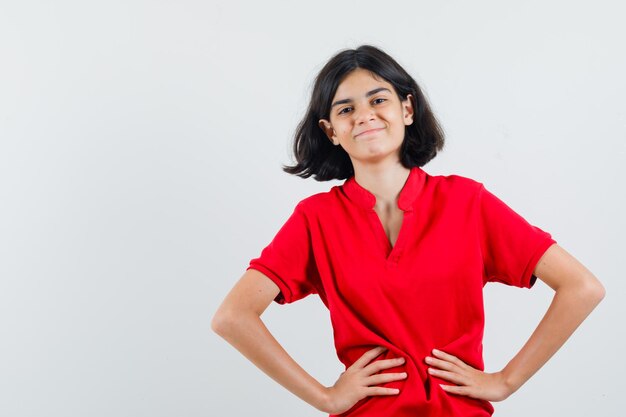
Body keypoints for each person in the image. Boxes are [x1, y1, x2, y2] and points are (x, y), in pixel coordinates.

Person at [211, 45, 605, 417]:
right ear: (331, 131)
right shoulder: (316, 219)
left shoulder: (467, 202)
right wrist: (324, 396)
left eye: (378, 99)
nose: (364, 115)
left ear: (407, 108)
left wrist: (506, 381)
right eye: (346, 108)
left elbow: (581, 288)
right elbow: (233, 316)